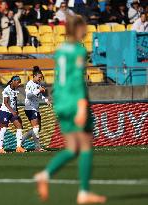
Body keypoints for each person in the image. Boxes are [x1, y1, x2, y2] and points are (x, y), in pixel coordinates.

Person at [34, 15, 107, 204]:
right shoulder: (78, 51)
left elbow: (60, 79)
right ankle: (83, 192)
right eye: (85, 27)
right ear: (79, 29)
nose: (87, 30)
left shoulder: (60, 51)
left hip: (61, 101)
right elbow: (76, 80)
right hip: (75, 102)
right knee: (85, 146)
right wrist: (82, 106)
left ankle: (45, 174)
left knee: (73, 148)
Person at [22, 66, 51, 152]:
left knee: (38, 128)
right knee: (36, 128)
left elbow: (40, 95)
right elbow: (28, 95)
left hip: (35, 108)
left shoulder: (38, 84)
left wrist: (46, 100)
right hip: (30, 107)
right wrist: (39, 90)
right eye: (39, 77)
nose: (40, 79)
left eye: (41, 78)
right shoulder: (29, 84)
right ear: (34, 76)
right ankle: (37, 147)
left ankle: (21, 141)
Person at [0, 76, 26, 153]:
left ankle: (18, 147)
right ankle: (0, 148)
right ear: (13, 81)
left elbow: (15, 102)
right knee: (3, 129)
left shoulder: (15, 90)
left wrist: (16, 110)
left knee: (19, 126)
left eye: (20, 82)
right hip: (5, 111)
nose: (19, 84)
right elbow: (5, 102)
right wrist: (13, 111)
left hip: (13, 111)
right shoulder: (6, 90)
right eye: (18, 82)